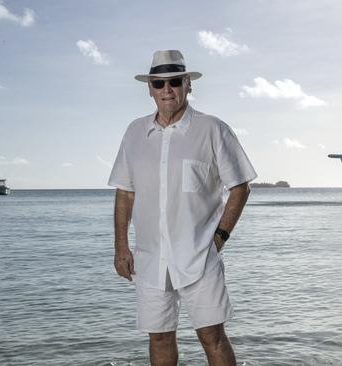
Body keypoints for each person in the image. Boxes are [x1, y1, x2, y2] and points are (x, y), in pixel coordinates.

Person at [108, 50, 256, 366]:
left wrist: (219, 238)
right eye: (159, 83)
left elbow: (240, 186)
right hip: (150, 258)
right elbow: (125, 193)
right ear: (149, 88)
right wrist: (121, 246)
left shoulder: (213, 129)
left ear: (188, 84)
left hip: (199, 255)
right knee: (159, 337)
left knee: (212, 337)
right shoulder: (134, 133)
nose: (167, 90)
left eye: (174, 82)